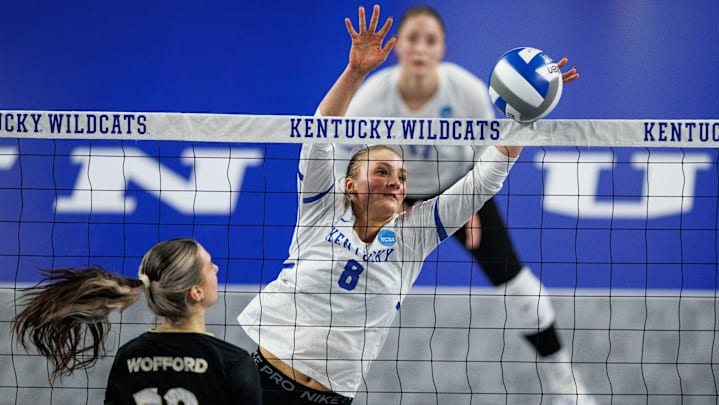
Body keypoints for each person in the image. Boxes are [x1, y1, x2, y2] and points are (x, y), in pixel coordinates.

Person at [238, 5, 542, 403]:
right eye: (381, 171)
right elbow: (319, 137)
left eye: (401, 177)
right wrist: (355, 72)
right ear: (349, 184)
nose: (395, 182)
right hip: (262, 380)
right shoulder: (321, 208)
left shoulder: (414, 235)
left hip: (331, 397)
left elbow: (487, 175)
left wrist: (528, 113)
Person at [330, 5, 595, 404]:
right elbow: (344, 162)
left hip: (461, 189)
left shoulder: (467, 91)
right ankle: (325, 375)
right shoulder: (372, 99)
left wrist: (470, 205)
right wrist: (375, 207)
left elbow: (487, 156)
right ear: (399, 46)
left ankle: (564, 380)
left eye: (430, 40)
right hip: (392, 198)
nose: (421, 47)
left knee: (517, 287)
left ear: (442, 49)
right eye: (413, 38)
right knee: (349, 284)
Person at [12, 238, 262, 405]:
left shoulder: (129, 355)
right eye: (209, 266)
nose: (216, 268)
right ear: (195, 292)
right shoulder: (232, 362)